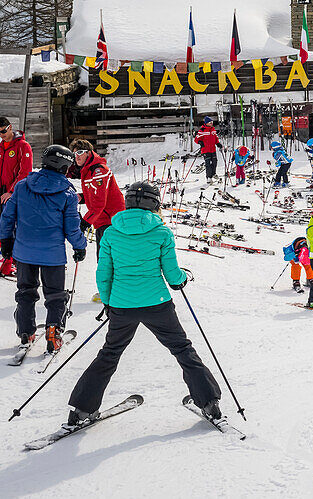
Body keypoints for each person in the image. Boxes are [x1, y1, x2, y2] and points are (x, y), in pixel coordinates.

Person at [66, 181, 224, 426]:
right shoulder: (161, 232)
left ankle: (81, 410)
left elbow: (103, 273)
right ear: (155, 204)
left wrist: (108, 303)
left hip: (122, 305)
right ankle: (209, 403)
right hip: (157, 303)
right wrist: (182, 279)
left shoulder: (110, 232)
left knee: (109, 354)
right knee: (182, 349)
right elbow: (172, 274)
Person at [0, 144, 88, 354]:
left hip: (23, 252)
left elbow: (8, 216)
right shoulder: (67, 193)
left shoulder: (22, 186)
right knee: (56, 295)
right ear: (65, 167)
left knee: (25, 292)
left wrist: (6, 241)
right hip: (52, 255)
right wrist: (80, 246)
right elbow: (72, 228)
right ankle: (53, 333)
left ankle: (26, 332)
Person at [68, 139, 125, 246]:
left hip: (111, 221)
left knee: (106, 258)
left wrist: (85, 223)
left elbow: (99, 203)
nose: (77, 157)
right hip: (102, 220)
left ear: (88, 152)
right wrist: (81, 197)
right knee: (104, 258)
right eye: (74, 154)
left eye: (80, 152)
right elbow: (95, 194)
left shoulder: (98, 171)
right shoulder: (89, 170)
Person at [0, 117, 33, 219]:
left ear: (10, 127)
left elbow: (25, 173)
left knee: (15, 230)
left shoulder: (23, 146)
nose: (1, 135)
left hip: (15, 196)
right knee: (3, 229)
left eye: (3, 131)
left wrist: (11, 191)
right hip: (0, 196)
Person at [194, 117, 221, 183]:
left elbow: (215, 138)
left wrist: (218, 143)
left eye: (212, 122)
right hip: (206, 149)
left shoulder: (213, 130)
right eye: (210, 122)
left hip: (213, 149)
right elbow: (196, 139)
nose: (211, 123)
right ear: (206, 123)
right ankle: (209, 177)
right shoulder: (202, 130)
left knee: (214, 162)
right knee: (208, 164)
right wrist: (200, 142)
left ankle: (213, 174)